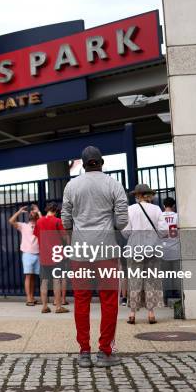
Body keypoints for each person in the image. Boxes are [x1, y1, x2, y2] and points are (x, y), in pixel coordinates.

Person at [61, 146, 128, 368]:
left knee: (81, 300)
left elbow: (66, 219)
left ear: (82, 163)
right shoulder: (113, 184)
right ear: (101, 162)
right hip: (106, 250)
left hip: (80, 251)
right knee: (109, 301)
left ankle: (84, 352)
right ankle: (105, 352)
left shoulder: (72, 185)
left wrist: (74, 232)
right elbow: (122, 220)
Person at [122, 184, 165, 325]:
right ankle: (151, 314)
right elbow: (163, 231)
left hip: (135, 249)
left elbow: (126, 232)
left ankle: (132, 314)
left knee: (135, 280)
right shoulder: (157, 209)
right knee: (151, 280)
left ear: (138, 195)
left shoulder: (130, 210)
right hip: (153, 249)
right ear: (149, 195)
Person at [33, 202, 69, 314]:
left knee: (44, 281)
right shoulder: (58, 221)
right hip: (56, 255)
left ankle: (44, 306)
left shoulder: (39, 221)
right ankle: (58, 307)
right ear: (56, 210)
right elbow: (64, 236)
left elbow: (36, 235)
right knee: (56, 281)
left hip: (44, 255)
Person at [9, 204, 41, 306]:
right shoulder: (23, 226)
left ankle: (31, 297)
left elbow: (44, 221)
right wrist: (19, 212)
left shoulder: (40, 225)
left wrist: (39, 211)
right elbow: (11, 221)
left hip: (38, 253)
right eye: (31, 212)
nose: (32, 213)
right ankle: (28, 299)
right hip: (27, 254)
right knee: (28, 276)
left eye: (34, 212)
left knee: (33, 277)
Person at [158, 197, 181, 302]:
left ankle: (165, 298)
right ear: (173, 206)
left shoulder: (159, 216)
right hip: (176, 248)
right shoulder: (177, 217)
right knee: (177, 274)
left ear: (163, 206)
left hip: (163, 249)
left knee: (165, 275)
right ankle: (179, 297)